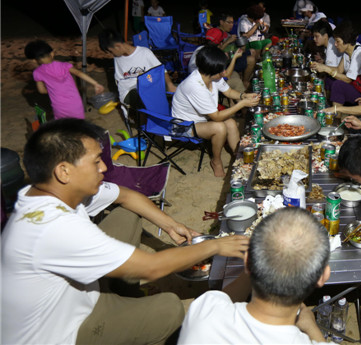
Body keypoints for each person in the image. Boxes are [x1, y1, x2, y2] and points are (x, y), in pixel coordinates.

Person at [1, 119, 250, 345]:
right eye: (96, 161)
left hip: (76, 294)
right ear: (64, 171)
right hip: (59, 331)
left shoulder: (50, 191)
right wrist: (214, 245)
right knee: (169, 308)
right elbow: (152, 268)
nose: (103, 167)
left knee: (126, 216)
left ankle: (126, 293)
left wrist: (170, 225)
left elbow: (126, 196)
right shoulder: (53, 227)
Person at [178, 207, 330, 344]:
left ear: (247, 261)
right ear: (323, 275)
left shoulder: (203, 311)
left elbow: (222, 300)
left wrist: (254, 261)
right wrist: (311, 327)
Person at [171, 45, 260, 177]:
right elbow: (217, 117)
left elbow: (228, 92)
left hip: (202, 119)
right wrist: (242, 104)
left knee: (230, 123)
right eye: (221, 70)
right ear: (211, 70)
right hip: (183, 125)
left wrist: (244, 96)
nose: (224, 73)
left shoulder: (211, 76)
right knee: (219, 128)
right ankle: (216, 161)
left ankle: (239, 155)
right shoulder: (195, 86)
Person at [25, 39, 104, 120]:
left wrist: (54, 90)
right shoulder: (64, 65)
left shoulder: (37, 72)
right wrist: (95, 83)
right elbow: (79, 73)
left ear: (34, 60)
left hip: (58, 106)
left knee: (63, 124)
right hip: (74, 103)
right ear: (52, 53)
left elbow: (41, 90)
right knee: (78, 123)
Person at [98, 28, 176, 105]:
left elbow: (161, 70)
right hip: (129, 91)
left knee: (178, 90)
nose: (111, 55)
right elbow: (119, 81)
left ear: (118, 46)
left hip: (149, 87)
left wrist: (170, 85)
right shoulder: (117, 58)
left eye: (111, 51)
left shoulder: (144, 53)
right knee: (150, 97)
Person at [310, 21, 361, 107]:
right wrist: (321, 66)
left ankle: (336, 112)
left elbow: (348, 79)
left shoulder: (358, 54)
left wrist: (326, 69)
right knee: (330, 81)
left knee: (338, 85)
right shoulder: (347, 52)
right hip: (354, 86)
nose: (335, 44)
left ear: (347, 41)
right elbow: (339, 70)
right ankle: (327, 105)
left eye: (338, 41)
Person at [238, 4, 272, 84]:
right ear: (254, 17)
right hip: (247, 43)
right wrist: (256, 25)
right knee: (258, 44)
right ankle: (256, 64)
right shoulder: (244, 22)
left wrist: (263, 26)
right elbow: (246, 36)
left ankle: (262, 58)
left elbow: (264, 30)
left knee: (268, 41)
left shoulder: (255, 21)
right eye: (258, 18)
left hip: (257, 40)